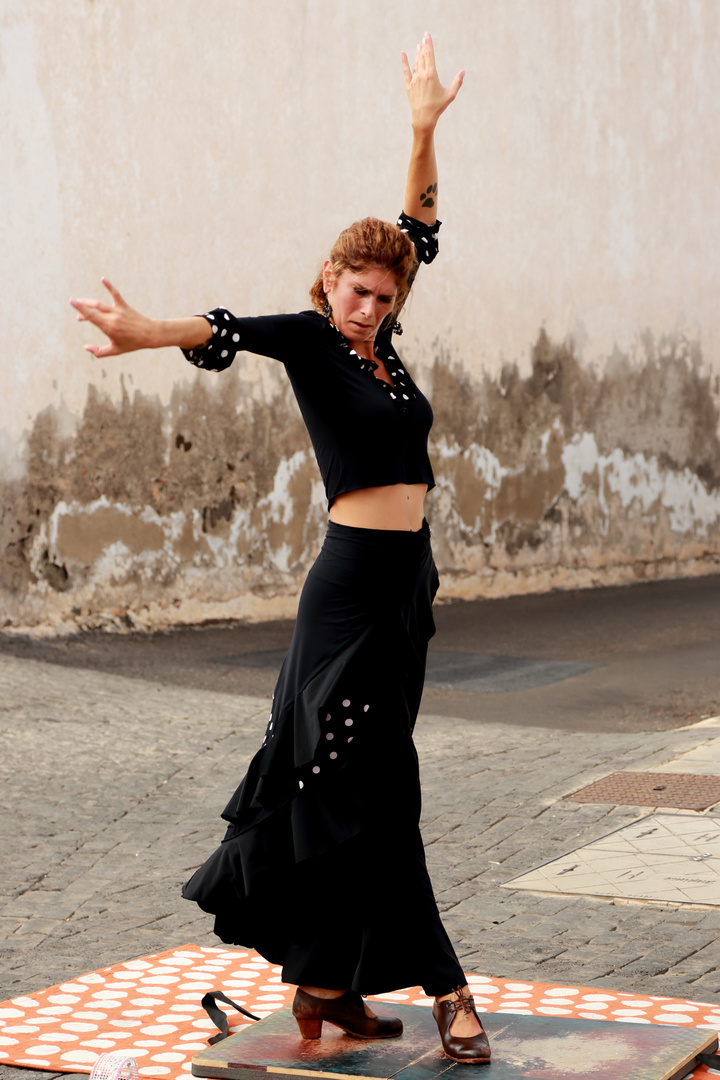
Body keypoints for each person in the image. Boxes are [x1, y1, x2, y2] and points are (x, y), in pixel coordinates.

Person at [70, 33, 490, 1066]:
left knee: (358, 785)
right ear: (329, 283)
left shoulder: (384, 354)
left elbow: (418, 224)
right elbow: (219, 325)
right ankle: (448, 989)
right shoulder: (310, 337)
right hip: (347, 592)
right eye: (360, 290)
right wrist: (143, 329)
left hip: (406, 592)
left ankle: (323, 987)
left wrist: (423, 131)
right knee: (381, 784)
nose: (375, 306)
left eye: (387, 296)